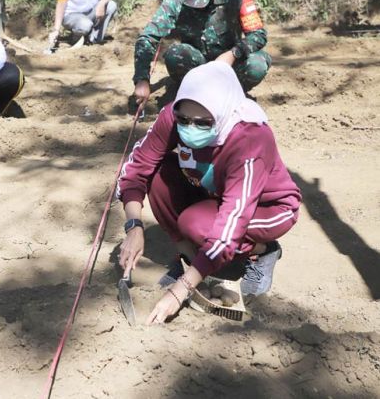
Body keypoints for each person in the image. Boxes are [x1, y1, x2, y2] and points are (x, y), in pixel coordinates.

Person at [117, 61, 301, 324]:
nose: (190, 127)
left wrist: (180, 291)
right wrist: (133, 227)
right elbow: (136, 169)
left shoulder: (250, 139)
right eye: (183, 120)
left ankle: (262, 250)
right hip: (215, 194)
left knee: (199, 225)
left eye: (203, 123)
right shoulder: (173, 114)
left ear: (223, 112)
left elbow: (230, 226)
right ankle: (189, 258)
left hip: (267, 208)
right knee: (158, 175)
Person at [133, 0, 270, 110]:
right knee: (175, 55)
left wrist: (233, 54)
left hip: (231, 66)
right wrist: (142, 79)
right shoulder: (177, 0)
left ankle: (233, 93)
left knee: (257, 64)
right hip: (196, 66)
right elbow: (148, 37)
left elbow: (258, 35)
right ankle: (195, 94)